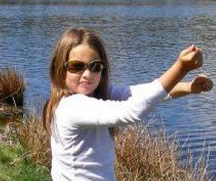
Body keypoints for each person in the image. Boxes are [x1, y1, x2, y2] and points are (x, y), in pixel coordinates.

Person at [43, 27, 213, 181]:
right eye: (76, 66)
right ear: (59, 67)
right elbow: (132, 111)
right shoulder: (71, 107)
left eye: (95, 66)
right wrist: (181, 68)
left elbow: (142, 94)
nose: (87, 74)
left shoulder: (97, 95)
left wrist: (188, 87)